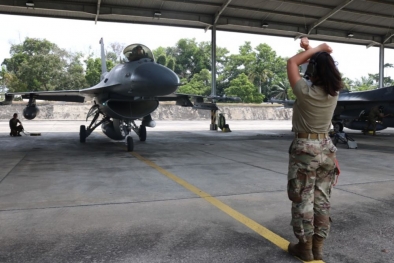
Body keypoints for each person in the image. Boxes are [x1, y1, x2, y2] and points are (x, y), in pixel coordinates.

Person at [286, 37, 343, 261]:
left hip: (304, 149)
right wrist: (314, 50)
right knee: (322, 199)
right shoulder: (333, 93)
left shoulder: (304, 91)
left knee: (303, 197)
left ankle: (305, 246)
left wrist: (316, 48)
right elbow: (324, 65)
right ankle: (318, 246)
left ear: (313, 71)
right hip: (327, 148)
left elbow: (292, 63)